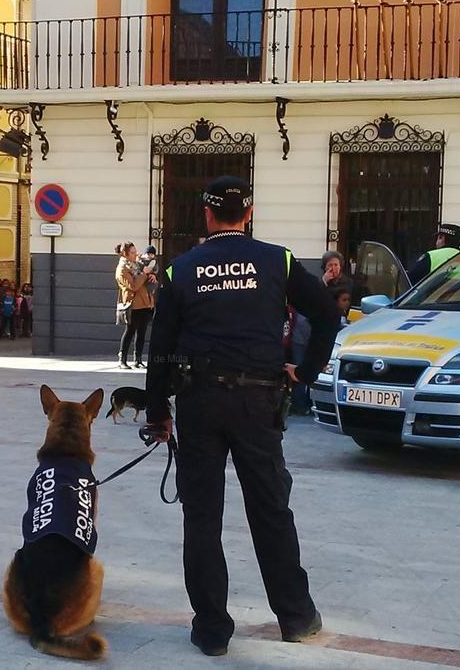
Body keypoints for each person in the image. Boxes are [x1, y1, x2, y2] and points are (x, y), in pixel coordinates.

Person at [145, 176, 337, 656]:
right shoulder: (278, 260)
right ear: (248, 214)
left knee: (203, 517)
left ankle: (212, 631)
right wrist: (308, 370)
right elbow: (329, 313)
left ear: (207, 216)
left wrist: (157, 413)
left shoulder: (179, 270)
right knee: (271, 510)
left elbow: (161, 349)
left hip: (199, 403)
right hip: (259, 402)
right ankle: (295, 617)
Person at [114, 242, 156, 370]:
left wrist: (151, 276)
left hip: (145, 302)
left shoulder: (137, 264)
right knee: (130, 331)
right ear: (125, 254)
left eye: (135, 251)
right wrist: (144, 274)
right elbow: (133, 286)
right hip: (133, 304)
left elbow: (144, 278)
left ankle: (138, 360)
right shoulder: (122, 269)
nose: (136, 254)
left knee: (142, 332)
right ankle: (123, 359)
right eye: (132, 252)